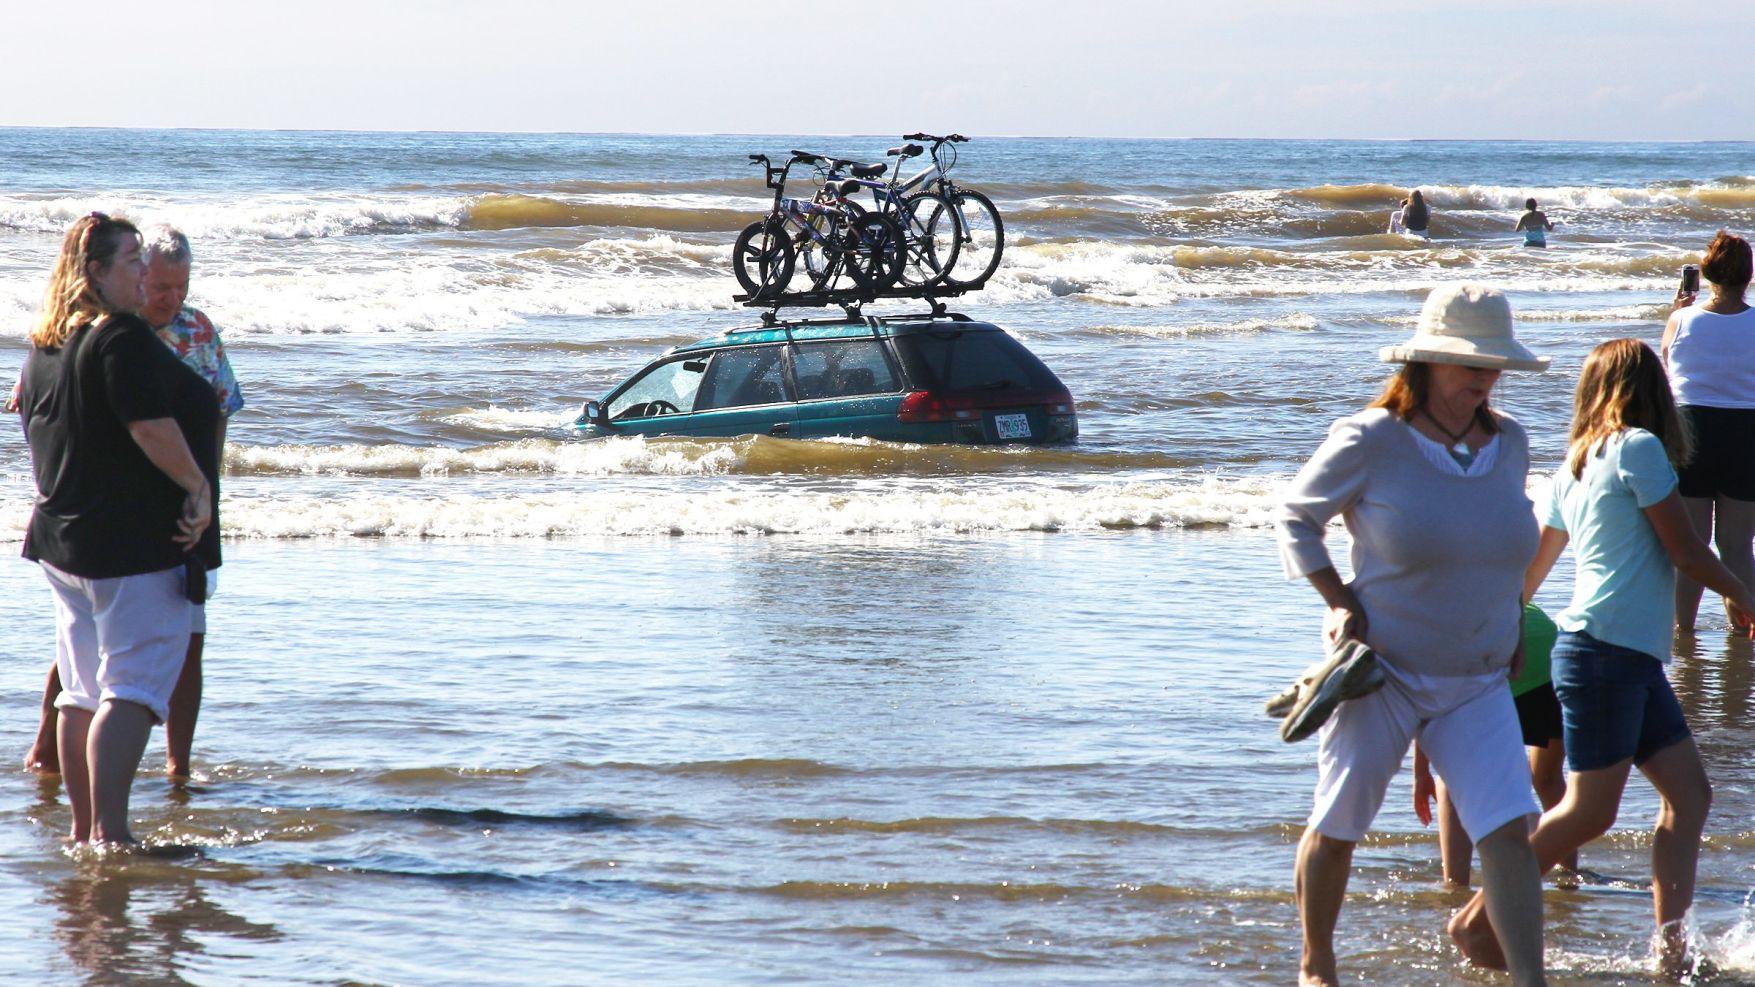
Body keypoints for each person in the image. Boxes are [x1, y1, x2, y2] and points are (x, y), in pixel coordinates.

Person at [1448, 338, 1755, 978]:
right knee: (1591, 809)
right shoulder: (1639, 450)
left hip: (1619, 656)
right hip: (1605, 653)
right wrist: (1745, 594)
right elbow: (1687, 550)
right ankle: (1479, 919)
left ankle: (1671, 952)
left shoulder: (1575, 466)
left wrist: (1492, 622)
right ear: (1652, 393)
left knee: (1689, 795)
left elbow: (1529, 575)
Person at [1278, 283, 1550, 987]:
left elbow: (1498, 544)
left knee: (1508, 834)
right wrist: (1337, 599)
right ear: (1426, 362)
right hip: (1383, 672)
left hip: (1479, 675)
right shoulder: (1372, 439)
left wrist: (1514, 617)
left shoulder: (1510, 442)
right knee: (1337, 825)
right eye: (1470, 361)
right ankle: (1317, 964)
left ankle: (1529, 978)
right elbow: (1295, 518)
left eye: (1493, 362)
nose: (1485, 374)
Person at [15, 213, 220, 845]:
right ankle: (111, 834)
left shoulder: (46, 345)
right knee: (129, 690)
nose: (144, 271)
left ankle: (85, 832)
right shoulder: (119, 336)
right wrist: (195, 485)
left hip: (65, 542)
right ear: (96, 273)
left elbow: (34, 426)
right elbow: (148, 426)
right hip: (128, 547)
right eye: (131, 260)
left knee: (79, 692)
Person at [1412, 604, 1575, 887]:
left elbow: (1427, 698)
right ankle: (1569, 877)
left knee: (1452, 777)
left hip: (1505, 653)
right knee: (1547, 779)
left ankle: (1455, 884)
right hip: (1549, 649)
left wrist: (1421, 773)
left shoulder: (1428, 615)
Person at [1661, 230, 1755, 635]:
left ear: (1707, 273)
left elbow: (1668, 363)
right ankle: (1746, 627)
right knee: (1737, 547)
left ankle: (1684, 632)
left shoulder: (1681, 319)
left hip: (1691, 430)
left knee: (1692, 547)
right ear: (1748, 276)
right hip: (1745, 432)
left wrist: (1676, 310)